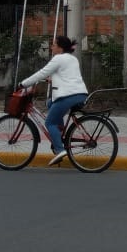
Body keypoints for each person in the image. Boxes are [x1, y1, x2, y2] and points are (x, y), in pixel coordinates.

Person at [21, 35, 88, 166]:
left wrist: (23, 84)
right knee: (50, 103)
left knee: (49, 123)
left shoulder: (58, 58)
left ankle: (60, 149)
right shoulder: (72, 58)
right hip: (80, 94)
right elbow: (68, 76)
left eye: (53, 45)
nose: (51, 47)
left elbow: (42, 73)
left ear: (60, 48)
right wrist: (51, 80)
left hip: (67, 96)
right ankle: (60, 130)